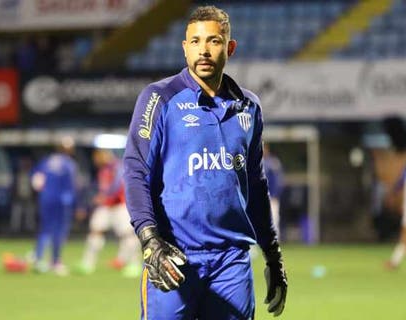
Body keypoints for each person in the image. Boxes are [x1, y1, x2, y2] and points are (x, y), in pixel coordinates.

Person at [123, 6, 287, 319]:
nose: (204, 50)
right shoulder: (159, 98)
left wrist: (273, 256)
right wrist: (149, 240)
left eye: (213, 41)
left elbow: (256, 184)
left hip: (232, 264)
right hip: (172, 257)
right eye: (195, 42)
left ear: (230, 47)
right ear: (184, 48)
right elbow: (135, 172)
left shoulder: (249, 107)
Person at [76, 148, 140, 276]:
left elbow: (117, 184)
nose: (96, 160)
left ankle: (134, 264)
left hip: (119, 205)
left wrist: (106, 195)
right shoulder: (103, 170)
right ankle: (88, 263)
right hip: (106, 206)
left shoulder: (117, 167)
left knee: (128, 235)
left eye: (98, 156)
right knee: (95, 232)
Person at [30, 137, 82, 276]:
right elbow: (73, 186)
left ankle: (38, 259)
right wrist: (78, 205)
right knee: (59, 231)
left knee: (45, 229)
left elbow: (36, 182)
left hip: (46, 199)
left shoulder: (46, 161)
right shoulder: (69, 164)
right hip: (63, 201)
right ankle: (55, 261)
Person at [263, 142, 285, 235]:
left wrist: (275, 194)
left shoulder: (273, 162)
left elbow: (278, 180)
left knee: (274, 219)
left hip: (271, 196)